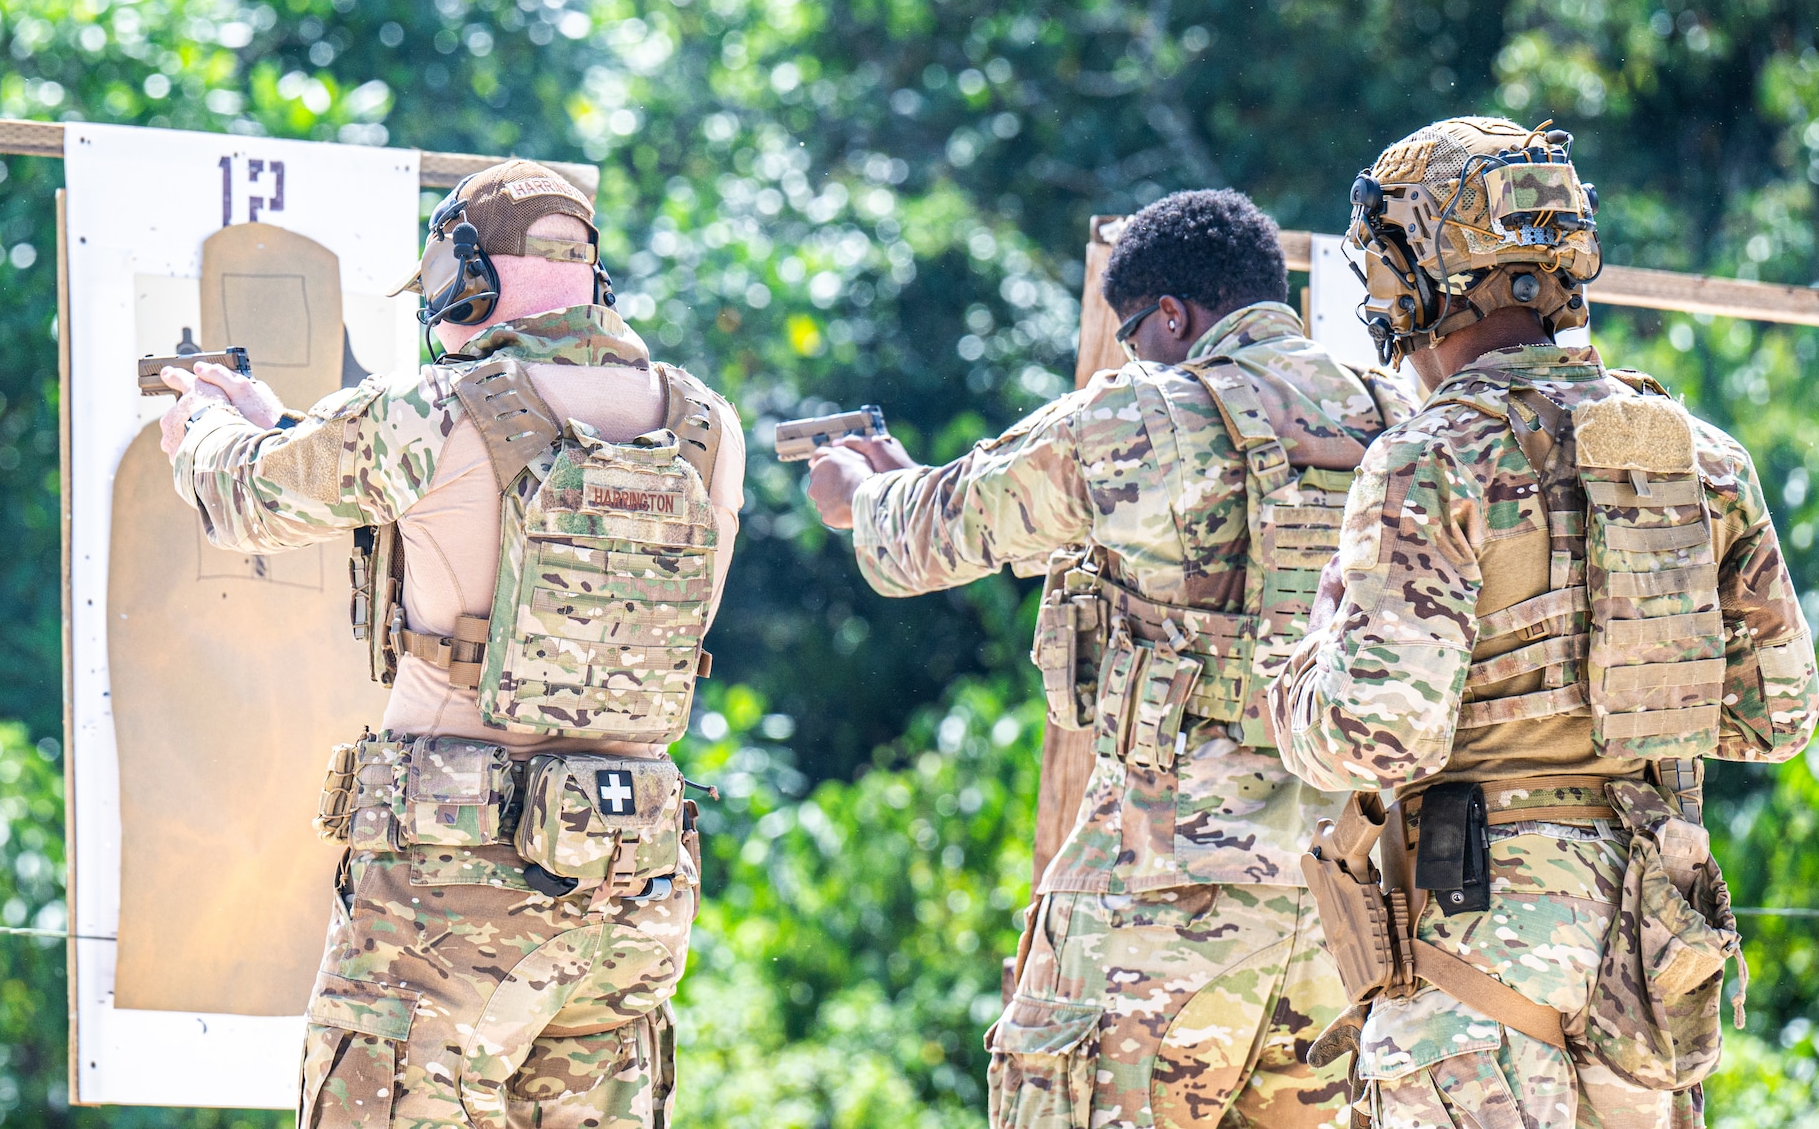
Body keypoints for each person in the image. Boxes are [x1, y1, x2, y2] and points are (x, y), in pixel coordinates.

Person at [806, 189, 1415, 1129]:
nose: (1135, 352)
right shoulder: (1394, 414)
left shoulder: (1144, 416)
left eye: (1134, 332)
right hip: (1341, 909)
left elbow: (928, 538)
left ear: (1173, 313)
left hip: (1161, 904)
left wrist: (859, 492)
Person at [158, 160, 744, 1129]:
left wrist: (208, 426)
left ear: (467, 272)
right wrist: (291, 424)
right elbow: (477, 507)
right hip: (629, 878)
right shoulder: (703, 421)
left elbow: (246, 495)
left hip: (451, 880)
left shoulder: (428, 407)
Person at [1271, 116, 1818, 1129]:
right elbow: (1777, 715)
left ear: (1410, 278)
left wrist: (1293, 670)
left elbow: (1373, 733)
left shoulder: (1428, 459)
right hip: (1650, 953)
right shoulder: (1699, 456)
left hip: (1474, 949)